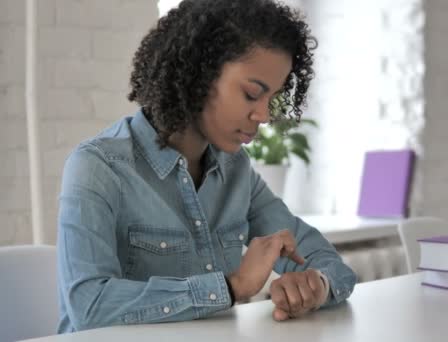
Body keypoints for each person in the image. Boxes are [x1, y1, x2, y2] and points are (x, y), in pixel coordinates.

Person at [56, 0, 357, 333]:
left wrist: (314, 286)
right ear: (199, 74)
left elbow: (331, 265)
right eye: (251, 94)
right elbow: (89, 306)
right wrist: (231, 286)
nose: (264, 115)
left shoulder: (236, 170)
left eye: (271, 98)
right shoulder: (98, 167)